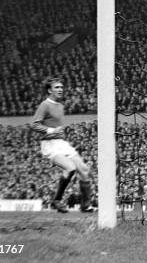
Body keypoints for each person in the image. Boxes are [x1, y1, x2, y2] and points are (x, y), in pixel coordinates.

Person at [31, 77, 94, 213]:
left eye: (61, 87)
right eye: (57, 87)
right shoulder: (45, 105)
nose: (60, 89)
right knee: (70, 168)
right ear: (49, 90)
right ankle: (56, 200)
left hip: (61, 142)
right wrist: (51, 130)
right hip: (50, 144)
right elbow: (34, 124)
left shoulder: (60, 106)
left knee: (83, 169)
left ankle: (85, 205)